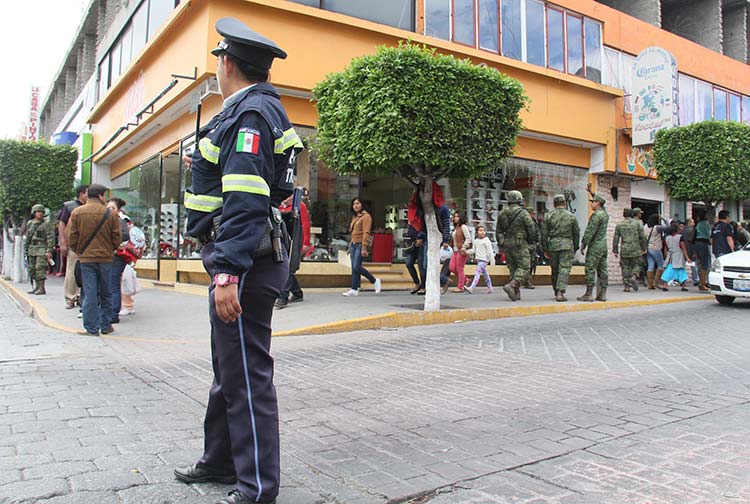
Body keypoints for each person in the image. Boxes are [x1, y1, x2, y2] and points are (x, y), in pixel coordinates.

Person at [174, 18, 301, 504]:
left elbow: (247, 199)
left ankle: (257, 489)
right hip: (247, 258)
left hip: (244, 263)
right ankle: (220, 460)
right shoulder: (257, 111)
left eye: (218, 60)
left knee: (246, 375)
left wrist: (227, 271)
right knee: (230, 368)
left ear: (228, 63)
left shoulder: (249, 115)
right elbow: (252, 180)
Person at [67, 184, 121, 336]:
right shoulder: (110, 214)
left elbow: (72, 238)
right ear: (100, 196)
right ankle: (105, 325)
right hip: (106, 259)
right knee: (106, 291)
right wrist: (110, 249)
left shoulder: (77, 213)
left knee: (90, 292)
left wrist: (81, 251)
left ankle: (91, 328)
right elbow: (117, 237)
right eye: (104, 195)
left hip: (86, 259)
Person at [496, 190, 536, 301]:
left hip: (507, 243)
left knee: (513, 268)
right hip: (519, 243)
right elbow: (531, 228)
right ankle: (512, 285)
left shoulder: (502, 213)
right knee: (524, 267)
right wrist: (532, 241)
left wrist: (501, 243)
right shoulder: (523, 213)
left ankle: (516, 292)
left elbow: (498, 230)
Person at [274, 193, 310, 309]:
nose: (286, 198)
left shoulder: (300, 206)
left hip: (295, 240)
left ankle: (283, 296)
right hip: (283, 239)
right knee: (287, 267)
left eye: (288, 195)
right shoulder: (279, 205)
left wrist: (305, 243)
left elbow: (305, 224)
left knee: (288, 267)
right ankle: (297, 292)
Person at [541, 194, 580, 302]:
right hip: (567, 245)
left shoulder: (548, 216)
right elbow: (576, 233)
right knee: (564, 269)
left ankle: (556, 289)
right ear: (564, 203)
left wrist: (545, 248)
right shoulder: (571, 216)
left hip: (553, 244)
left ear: (554, 204)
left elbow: (544, 234)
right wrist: (575, 247)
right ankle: (560, 292)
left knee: (554, 269)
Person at [342, 197, 381, 296]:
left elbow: (366, 232)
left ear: (362, 204)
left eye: (358, 203)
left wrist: (364, 247)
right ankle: (354, 289)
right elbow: (354, 233)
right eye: (354, 204)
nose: (356, 205)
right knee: (354, 268)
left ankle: (374, 281)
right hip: (354, 244)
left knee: (356, 266)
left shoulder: (366, 216)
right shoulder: (355, 217)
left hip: (360, 244)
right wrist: (350, 246)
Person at [58, 185, 88, 308]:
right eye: (87, 193)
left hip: (88, 245)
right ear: (81, 194)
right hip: (74, 245)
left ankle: (82, 297)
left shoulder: (90, 207)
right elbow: (61, 224)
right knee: (71, 271)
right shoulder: (69, 206)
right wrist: (62, 242)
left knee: (85, 272)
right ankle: (70, 297)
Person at [577, 194, 609, 302]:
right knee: (603, 269)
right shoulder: (605, 214)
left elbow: (590, 231)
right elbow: (604, 203)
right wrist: (592, 192)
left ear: (598, 203)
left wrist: (583, 244)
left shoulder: (596, 215)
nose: (591, 204)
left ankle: (588, 293)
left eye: (593, 202)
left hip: (595, 245)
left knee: (590, 268)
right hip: (603, 245)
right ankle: (603, 293)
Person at [106, 197, 132, 323]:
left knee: (113, 284)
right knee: (111, 284)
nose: (110, 210)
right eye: (108, 208)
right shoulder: (105, 221)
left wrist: (113, 238)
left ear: (118, 210)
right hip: (109, 256)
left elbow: (126, 235)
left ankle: (113, 314)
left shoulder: (119, 221)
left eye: (113, 208)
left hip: (117, 257)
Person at [612, 208, 647, 292]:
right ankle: (634, 276)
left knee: (625, 268)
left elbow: (616, 238)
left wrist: (615, 250)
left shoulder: (619, 225)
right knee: (638, 264)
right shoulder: (637, 223)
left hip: (624, 249)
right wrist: (644, 247)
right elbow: (642, 236)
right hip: (636, 249)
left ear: (623, 214)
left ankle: (626, 286)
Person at [24, 204, 54, 295]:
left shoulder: (46, 224)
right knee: (31, 268)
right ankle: (36, 287)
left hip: (42, 248)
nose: (39, 214)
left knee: (40, 268)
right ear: (34, 213)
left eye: (41, 212)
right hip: (32, 248)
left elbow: (50, 237)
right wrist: (26, 248)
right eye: (37, 212)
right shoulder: (30, 223)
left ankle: (42, 288)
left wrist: (49, 250)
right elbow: (28, 236)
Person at [404, 192, 426, 294]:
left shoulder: (426, 211)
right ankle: (417, 283)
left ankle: (423, 286)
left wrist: (422, 238)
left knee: (422, 265)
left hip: (423, 242)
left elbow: (428, 228)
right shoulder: (411, 211)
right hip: (413, 242)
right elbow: (410, 228)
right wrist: (415, 238)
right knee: (409, 263)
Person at [660, 223, 690, 291]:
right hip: (679, 255)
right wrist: (687, 257)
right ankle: (683, 285)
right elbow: (683, 248)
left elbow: (665, 249)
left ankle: (665, 284)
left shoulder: (667, 238)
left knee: (669, 270)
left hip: (670, 256)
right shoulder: (680, 237)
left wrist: (666, 257)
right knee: (681, 270)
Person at [464, 225, 494, 294]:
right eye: (480, 231)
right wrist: (466, 252)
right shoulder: (476, 241)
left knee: (478, 273)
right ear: (477, 232)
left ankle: (472, 287)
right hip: (479, 260)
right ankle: (490, 287)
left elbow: (490, 251)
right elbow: (473, 250)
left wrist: (492, 261)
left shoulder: (486, 240)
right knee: (485, 274)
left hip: (484, 260)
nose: (482, 232)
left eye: (483, 231)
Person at [644, 213, 669, 290]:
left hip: (648, 248)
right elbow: (668, 226)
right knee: (661, 265)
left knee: (650, 265)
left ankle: (650, 284)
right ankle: (656, 283)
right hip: (656, 248)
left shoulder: (644, 227)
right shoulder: (657, 228)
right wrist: (663, 219)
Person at [449, 211, 472, 292]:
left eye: (457, 216)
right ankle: (466, 280)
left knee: (459, 268)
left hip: (461, 250)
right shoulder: (456, 228)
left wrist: (463, 247)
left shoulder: (463, 227)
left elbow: (468, 238)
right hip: (455, 250)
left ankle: (460, 286)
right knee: (452, 268)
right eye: (455, 216)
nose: (455, 218)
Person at [693, 213, 712, 291]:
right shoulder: (706, 224)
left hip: (696, 243)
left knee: (699, 264)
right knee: (705, 264)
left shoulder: (698, 224)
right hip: (704, 243)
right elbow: (708, 235)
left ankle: (701, 281)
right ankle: (703, 283)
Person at [681, 218, 699, 286]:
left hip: (684, 250)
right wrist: (695, 251)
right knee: (693, 265)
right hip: (691, 249)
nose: (694, 224)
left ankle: (682, 279)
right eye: (693, 222)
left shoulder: (682, 231)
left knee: (683, 265)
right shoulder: (692, 231)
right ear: (689, 223)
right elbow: (693, 242)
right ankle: (696, 279)